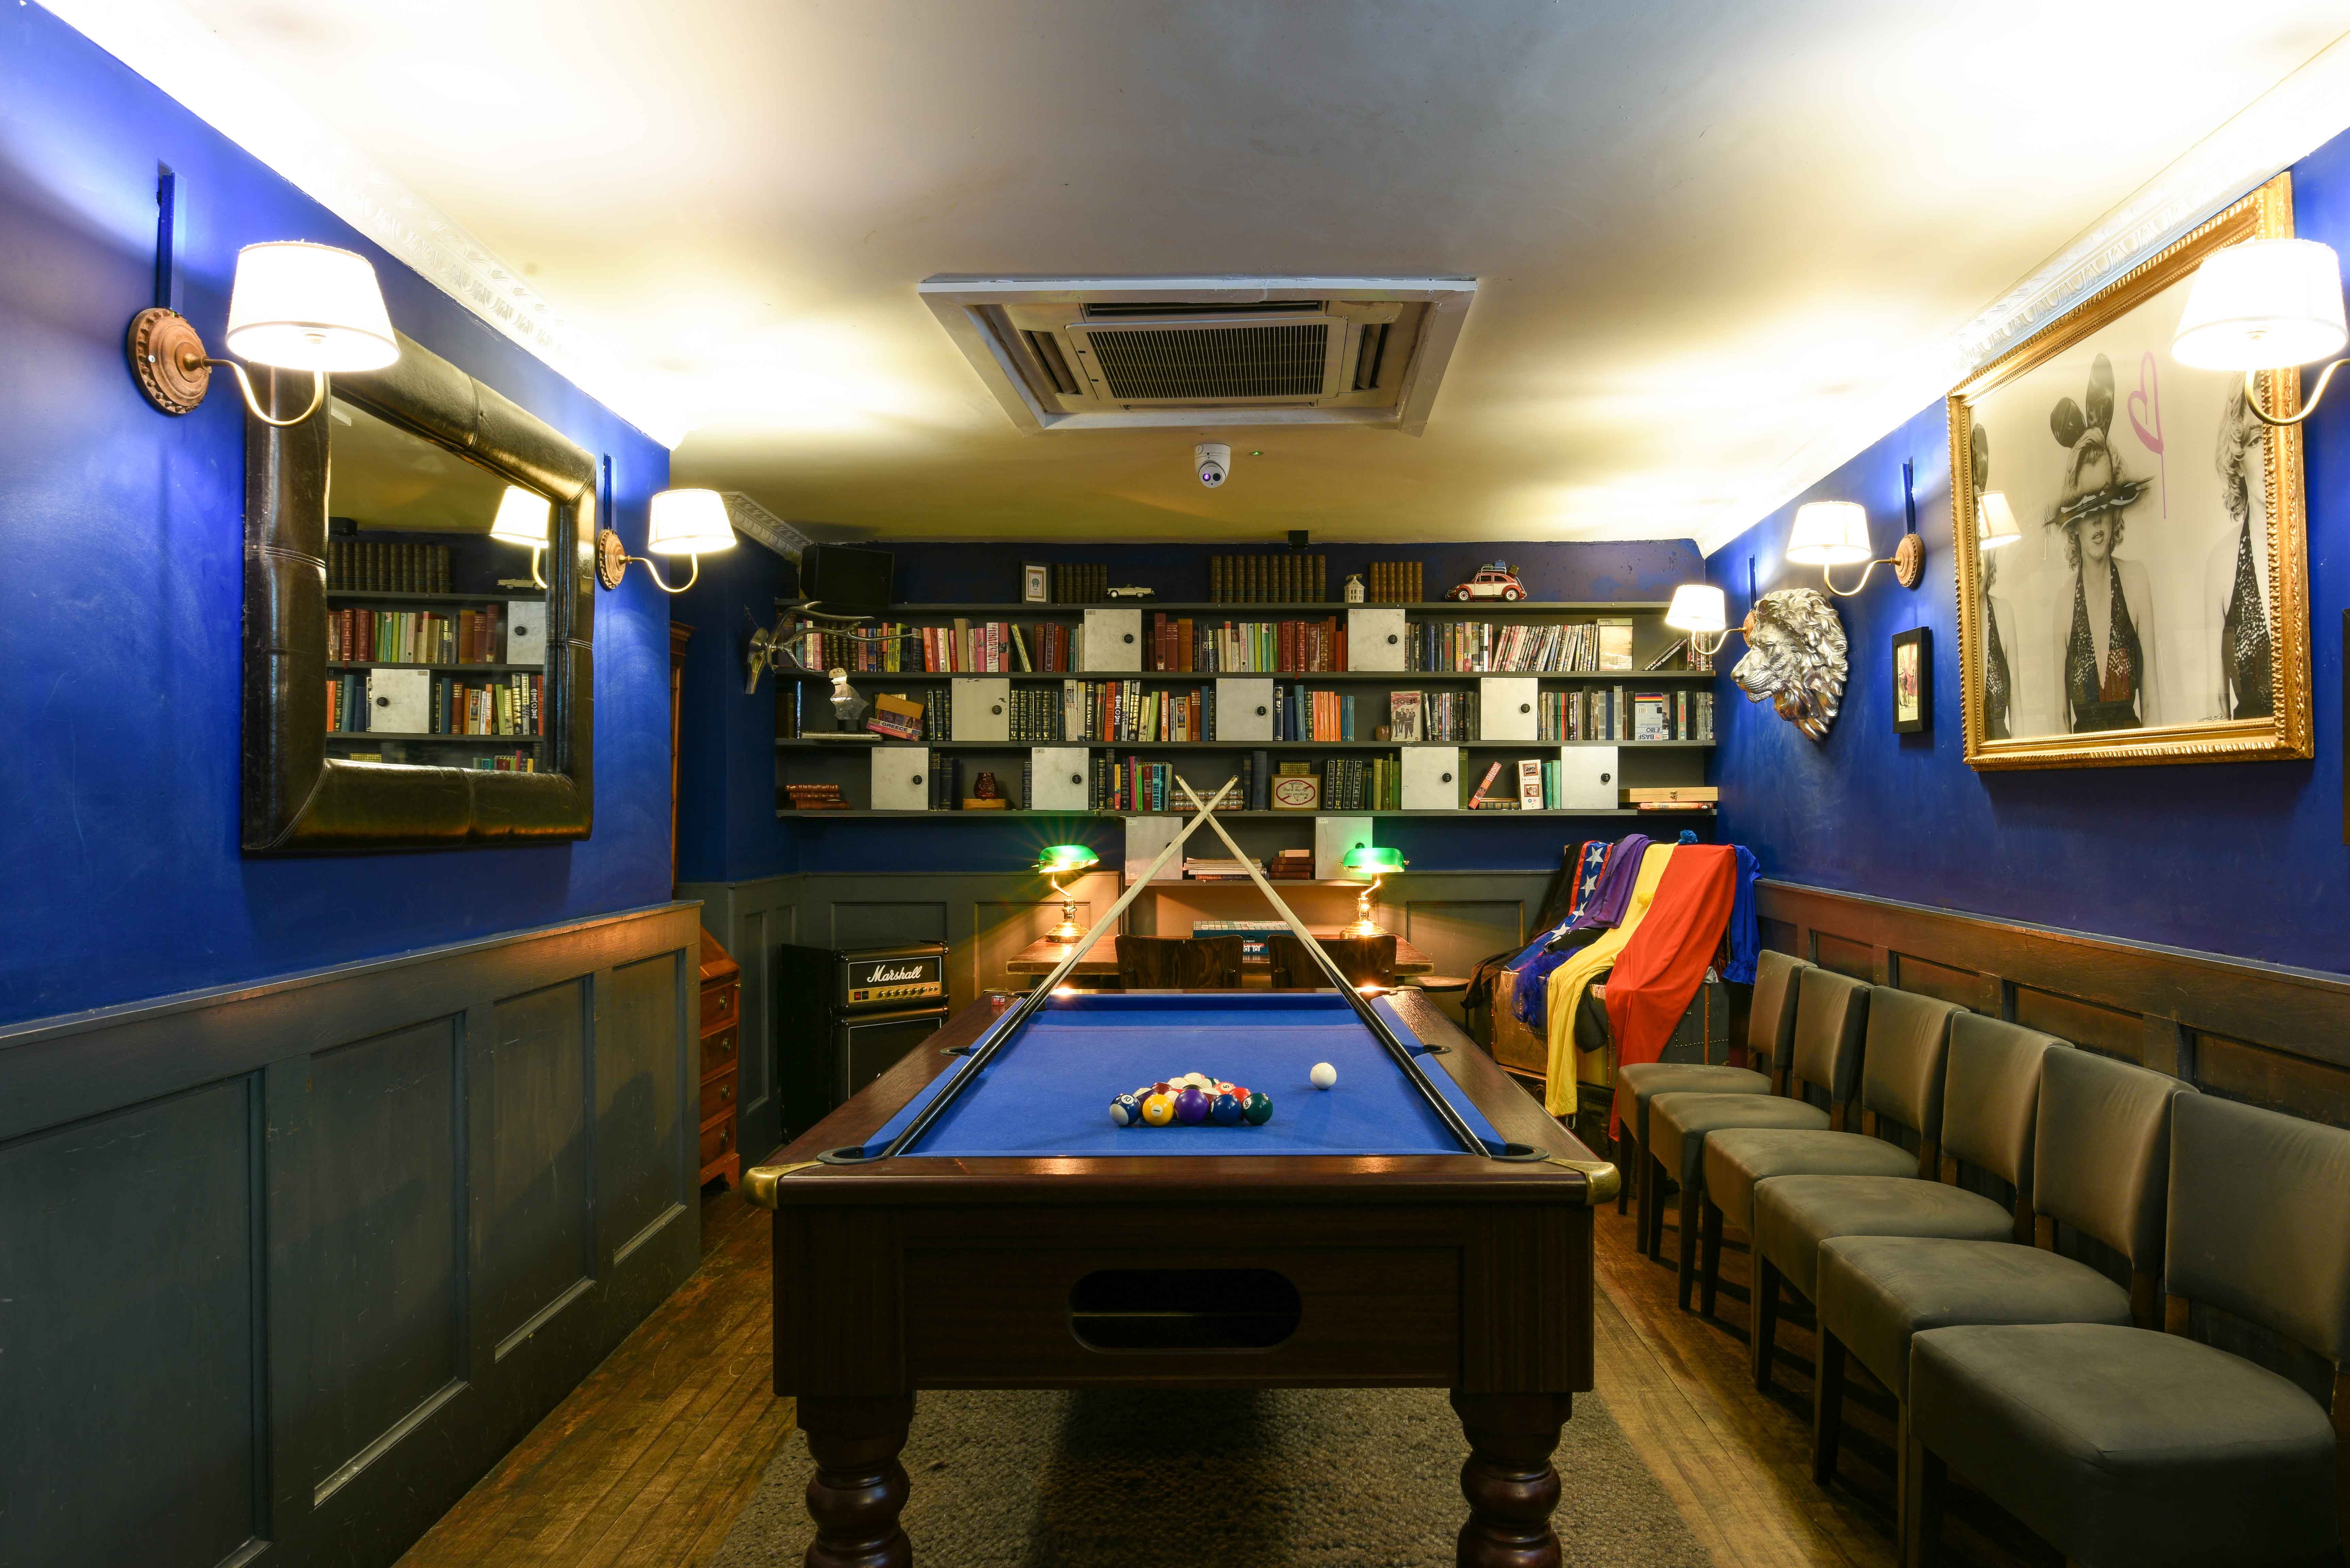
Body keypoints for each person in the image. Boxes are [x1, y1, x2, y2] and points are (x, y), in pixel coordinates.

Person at [2043, 355, 2158, 732]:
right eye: (2085, 505)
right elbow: (2059, 718)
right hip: (2079, 766)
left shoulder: (2136, 581)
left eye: (2104, 501)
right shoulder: (2063, 602)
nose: (2096, 518)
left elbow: (2153, 702)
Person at [2201, 385, 2272, 720]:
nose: (2269, 454)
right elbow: (2214, 705)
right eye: (2256, 440)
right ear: (2238, 459)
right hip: (2248, 750)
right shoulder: (2221, 564)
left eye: (2274, 434)